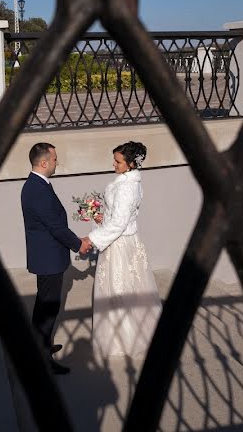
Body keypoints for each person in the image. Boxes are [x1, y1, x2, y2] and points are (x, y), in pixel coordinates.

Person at [21, 142, 92, 374]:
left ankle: (37, 347)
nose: (56, 162)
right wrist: (78, 244)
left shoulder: (35, 185)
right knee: (48, 308)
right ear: (43, 163)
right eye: (54, 159)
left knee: (44, 305)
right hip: (48, 258)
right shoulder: (37, 189)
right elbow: (55, 227)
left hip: (47, 256)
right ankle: (41, 360)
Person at [88, 141, 162, 358]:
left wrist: (93, 238)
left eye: (118, 161)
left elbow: (120, 223)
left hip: (120, 244)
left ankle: (123, 340)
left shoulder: (127, 187)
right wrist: (102, 217)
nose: (114, 164)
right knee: (126, 289)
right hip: (123, 239)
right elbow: (119, 216)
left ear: (130, 164)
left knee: (120, 290)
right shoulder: (126, 182)